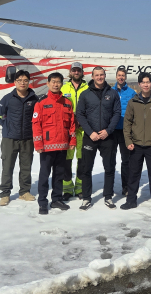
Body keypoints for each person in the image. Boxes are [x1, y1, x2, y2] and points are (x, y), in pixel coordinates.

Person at [121, 72, 151, 214]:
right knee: (133, 174)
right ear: (139, 84)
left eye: (148, 82)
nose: (146, 85)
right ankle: (131, 200)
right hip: (136, 145)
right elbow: (127, 123)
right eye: (143, 82)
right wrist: (128, 141)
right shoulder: (133, 102)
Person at [76, 66, 121, 210]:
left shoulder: (112, 93)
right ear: (92, 76)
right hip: (91, 137)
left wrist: (108, 131)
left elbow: (117, 113)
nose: (99, 77)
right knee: (86, 168)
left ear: (105, 76)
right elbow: (80, 114)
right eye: (97, 75)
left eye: (101, 75)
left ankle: (108, 196)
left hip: (107, 137)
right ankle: (86, 198)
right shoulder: (85, 94)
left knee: (109, 167)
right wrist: (90, 132)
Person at [32, 72, 77, 214]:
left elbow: (71, 124)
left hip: (62, 145)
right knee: (44, 175)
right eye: (53, 82)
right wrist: (38, 144)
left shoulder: (67, 103)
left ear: (62, 84)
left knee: (59, 174)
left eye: (58, 82)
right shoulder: (41, 102)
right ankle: (42, 202)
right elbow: (36, 124)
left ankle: (56, 199)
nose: (56, 84)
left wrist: (72, 140)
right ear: (48, 83)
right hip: (46, 147)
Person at [0, 70, 39, 206]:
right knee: (7, 166)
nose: (22, 83)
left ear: (29, 82)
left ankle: (24, 192)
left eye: (25, 80)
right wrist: (7, 127)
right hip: (10, 138)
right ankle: (5, 194)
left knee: (26, 166)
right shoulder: (7, 98)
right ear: (15, 82)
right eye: (19, 80)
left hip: (28, 138)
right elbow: (1, 115)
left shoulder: (34, 99)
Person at [61, 62, 89, 200]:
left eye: (79, 70)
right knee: (67, 160)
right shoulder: (63, 87)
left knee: (82, 160)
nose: (76, 72)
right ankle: (67, 188)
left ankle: (79, 188)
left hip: (83, 130)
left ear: (82, 72)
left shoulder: (88, 87)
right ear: (70, 72)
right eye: (74, 70)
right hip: (68, 130)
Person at [112, 67, 136, 196]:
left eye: (123, 75)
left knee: (126, 160)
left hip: (125, 131)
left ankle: (125, 187)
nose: (121, 77)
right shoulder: (110, 91)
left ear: (125, 77)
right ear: (116, 76)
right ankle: (109, 187)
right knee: (110, 160)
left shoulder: (131, 92)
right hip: (112, 130)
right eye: (119, 75)